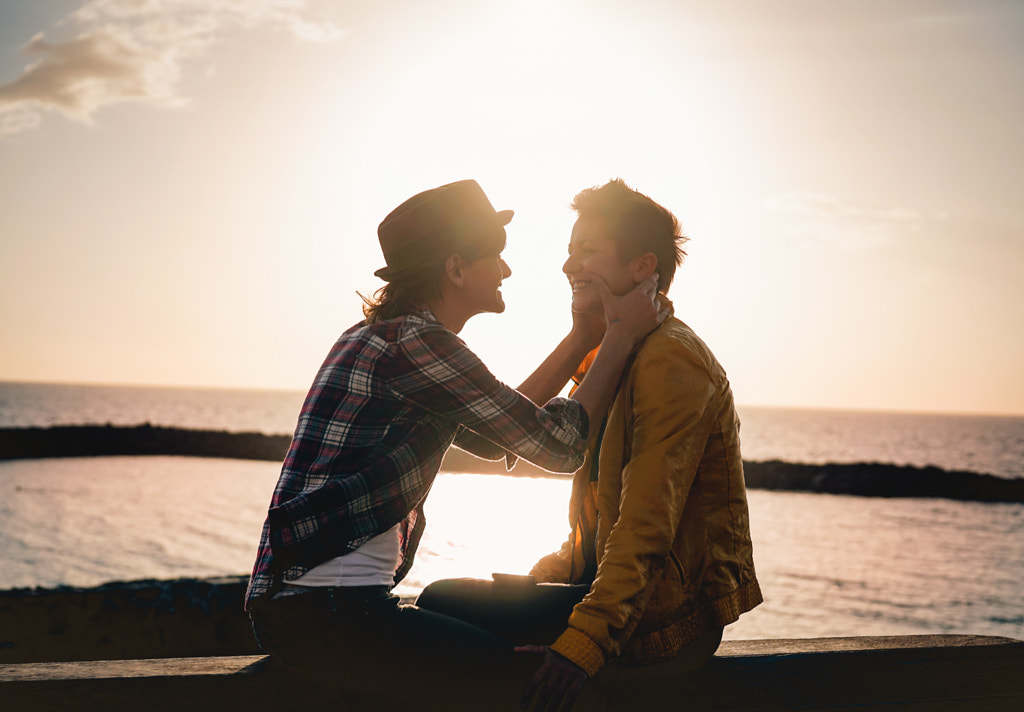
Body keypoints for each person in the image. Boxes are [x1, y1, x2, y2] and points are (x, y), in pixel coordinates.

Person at [244, 179, 666, 711]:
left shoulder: (386, 335)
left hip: (310, 606)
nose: (507, 270)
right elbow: (560, 446)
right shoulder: (419, 344)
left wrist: (584, 339)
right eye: (496, 256)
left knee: (454, 608)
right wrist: (622, 337)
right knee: (542, 683)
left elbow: (495, 436)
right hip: (326, 614)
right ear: (456, 268)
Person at [417, 179, 762, 711]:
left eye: (587, 251)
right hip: (612, 600)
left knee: (442, 609)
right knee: (444, 614)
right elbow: (535, 464)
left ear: (642, 266)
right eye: (569, 251)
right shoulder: (616, 351)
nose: (566, 267)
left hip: (663, 622)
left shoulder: (671, 359)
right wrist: (542, 579)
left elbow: (644, 528)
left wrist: (582, 646)